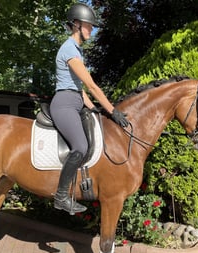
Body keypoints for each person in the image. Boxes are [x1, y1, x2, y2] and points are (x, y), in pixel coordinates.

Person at [50, 2, 129, 214]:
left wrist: (95, 109)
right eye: (89, 25)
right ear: (76, 25)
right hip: (64, 104)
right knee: (80, 147)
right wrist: (112, 110)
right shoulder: (69, 50)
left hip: (76, 100)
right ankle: (61, 197)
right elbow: (91, 86)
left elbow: (80, 90)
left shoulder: (76, 50)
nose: (91, 29)